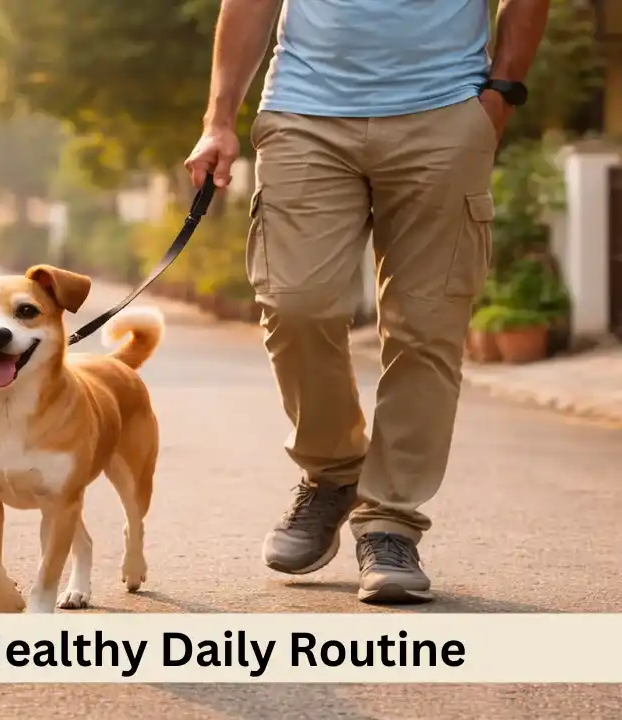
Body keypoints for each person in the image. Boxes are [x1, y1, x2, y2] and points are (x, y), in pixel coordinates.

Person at [184, 0, 550, 604]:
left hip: (445, 113)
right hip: (305, 111)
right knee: (296, 302)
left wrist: (500, 95)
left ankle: (391, 521)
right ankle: (332, 472)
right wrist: (219, 118)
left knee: (426, 326)